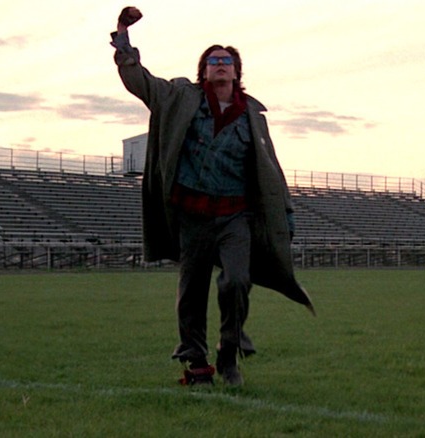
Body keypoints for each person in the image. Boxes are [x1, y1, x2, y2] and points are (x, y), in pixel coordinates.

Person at [111, 7, 314, 386]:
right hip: (192, 218)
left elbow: (271, 170)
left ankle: (229, 353)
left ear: (237, 72)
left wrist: (285, 216)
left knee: (237, 281)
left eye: (227, 61)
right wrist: (123, 38)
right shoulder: (179, 98)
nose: (220, 65)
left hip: (235, 218)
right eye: (213, 61)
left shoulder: (254, 116)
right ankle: (198, 366)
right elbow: (139, 80)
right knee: (191, 292)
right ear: (203, 70)